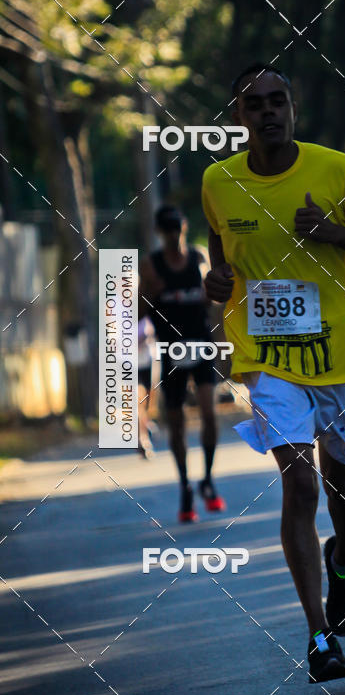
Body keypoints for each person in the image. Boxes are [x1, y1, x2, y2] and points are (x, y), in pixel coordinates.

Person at [202, 64, 345, 683]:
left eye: (277, 101)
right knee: (301, 485)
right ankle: (318, 638)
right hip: (267, 361)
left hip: (338, 355)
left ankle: (343, 557)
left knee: (343, 483)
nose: (267, 112)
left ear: (293, 108)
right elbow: (221, 259)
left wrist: (331, 232)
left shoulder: (336, 170)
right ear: (239, 117)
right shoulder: (218, 181)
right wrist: (215, 286)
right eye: (254, 103)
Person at [139, 205, 226, 522]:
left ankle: (208, 479)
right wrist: (149, 294)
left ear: (184, 227)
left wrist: (209, 293)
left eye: (177, 228)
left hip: (201, 343)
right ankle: (186, 485)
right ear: (160, 232)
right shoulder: (150, 266)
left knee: (208, 413)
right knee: (176, 421)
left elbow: (215, 298)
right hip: (171, 349)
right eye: (167, 229)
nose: (173, 235)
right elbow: (136, 314)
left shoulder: (199, 257)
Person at [137, 315, 156, 459]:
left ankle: (145, 423)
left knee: (147, 401)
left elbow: (152, 327)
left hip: (147, 359)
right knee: (138, 400)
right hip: (126, 361)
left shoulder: (143, 299)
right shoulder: (114, 304)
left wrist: (146, 335)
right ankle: (143, 440)